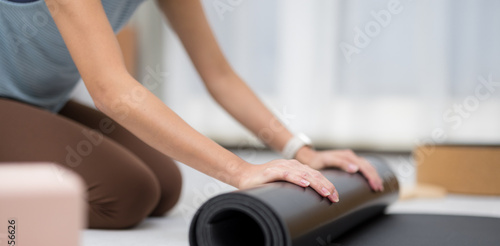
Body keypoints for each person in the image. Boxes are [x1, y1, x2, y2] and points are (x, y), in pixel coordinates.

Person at [0, 0, 383, 229]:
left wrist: (300, 151)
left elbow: (219, 76)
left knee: (165, 187)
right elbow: (112, 92)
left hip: (36, 101)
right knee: (125, 196)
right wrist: (240, 171)